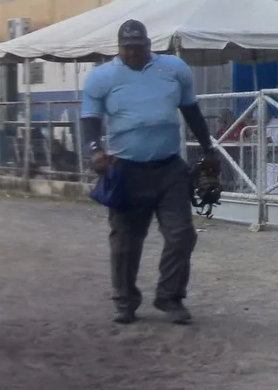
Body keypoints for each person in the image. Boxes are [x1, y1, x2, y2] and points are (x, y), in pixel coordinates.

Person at [82, 19, 220, 325]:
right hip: (125, 171)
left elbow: (191, 111)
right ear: (119, 49)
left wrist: (209, 149)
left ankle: (169, 297)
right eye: (126, 48)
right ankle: (125, 301)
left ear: (149, 45)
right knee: (125, 241)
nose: (132, 54)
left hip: (169, 168)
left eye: (138, 47)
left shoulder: (174, 69)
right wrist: (95, 151)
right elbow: (89, 118)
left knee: (182, 235)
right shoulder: (101, 77)